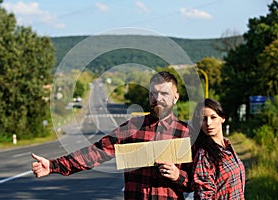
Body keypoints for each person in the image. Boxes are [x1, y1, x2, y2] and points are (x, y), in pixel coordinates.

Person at [32, 71, 193, 199]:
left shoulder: (186, 133)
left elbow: (200, 180)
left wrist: (178, 175)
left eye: (164, 93)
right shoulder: (133, 127)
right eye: (153, 93)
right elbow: (96, 152)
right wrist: (54, 166)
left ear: (176, 97)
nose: (157, 99)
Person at [191, 98, 245, 199]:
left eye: (213, 117)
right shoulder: (204, 155)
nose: (208, 123)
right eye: (203, 119)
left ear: (222, 118)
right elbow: (204, 195)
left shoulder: (227, 146)